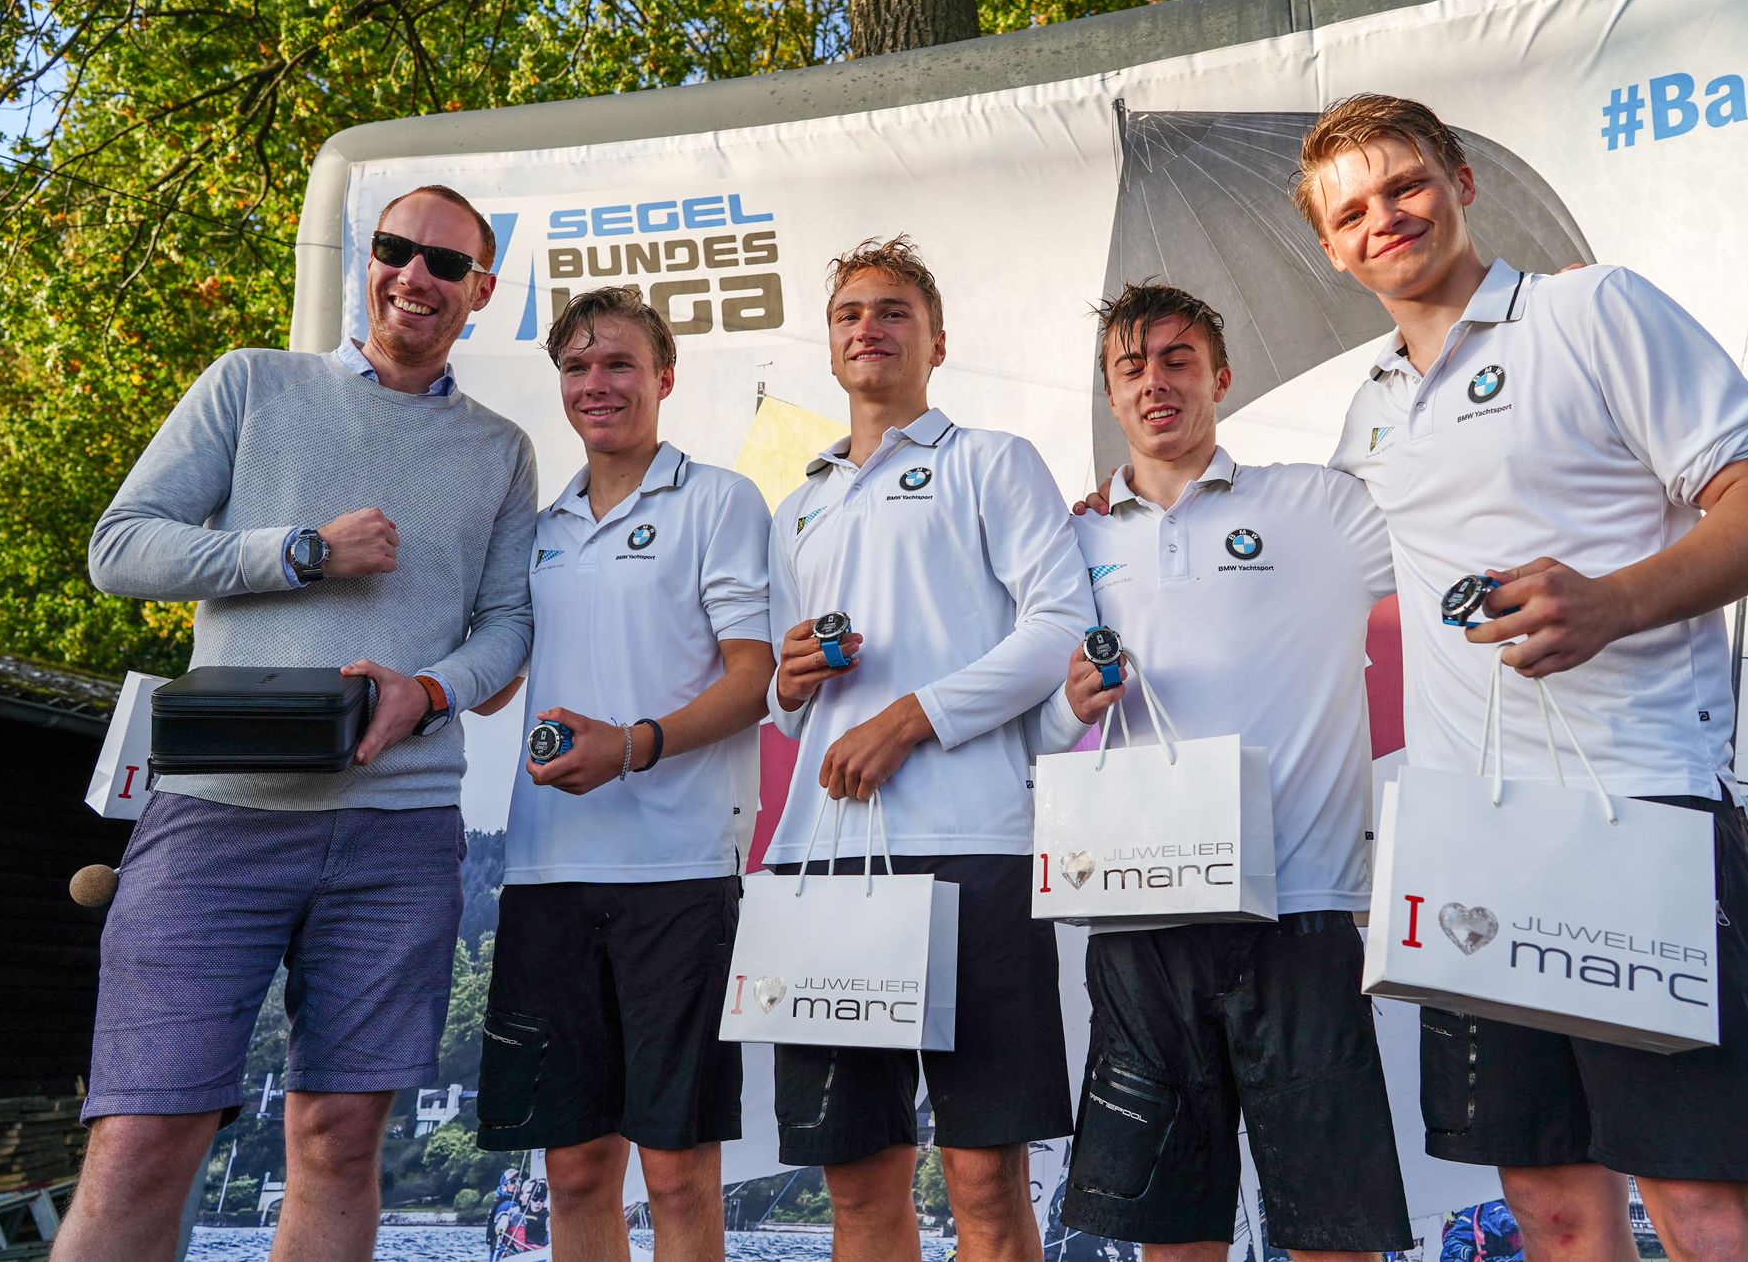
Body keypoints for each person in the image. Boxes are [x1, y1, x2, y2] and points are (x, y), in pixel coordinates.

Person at [1298, 93, 1748, 1261]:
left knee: (1704, 1204)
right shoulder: (1367, 408)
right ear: (1331, 249)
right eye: (1351, 211)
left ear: (1460, 182)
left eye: (1404, 184)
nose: (1384, 217)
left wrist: (1613, 601)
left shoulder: (1591, 309)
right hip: (1471, 844)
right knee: (1549, 1204)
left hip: (1634, 808)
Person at [65, 184, 536, 1262]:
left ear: (480, 291)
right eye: (396, 248)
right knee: (143, 1136)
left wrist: (430, 691)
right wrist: (299, 551)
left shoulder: (502, 450)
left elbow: (510, 625)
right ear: (367, 260)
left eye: (446, 263)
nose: (415, 276)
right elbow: (119, 548)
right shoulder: (250, 382)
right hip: (216, 814)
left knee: (338, 1138)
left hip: (399, 832)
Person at [1040, 283, 1413, 1262]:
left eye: (1177, 359)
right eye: (1131, 366)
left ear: (1221, 376)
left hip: (1301, 909)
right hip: (1142, 917)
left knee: (1336, 1238)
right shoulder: (1069, 542)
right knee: (1172, 1239)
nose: (1154, 382)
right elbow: (1027, 721)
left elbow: (1449, 538)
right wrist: (1068, 703)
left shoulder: (1318, 506)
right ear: (1110, 393)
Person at [764, 235, 1095, 1261]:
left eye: (893, 310)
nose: (868, 326)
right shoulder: (797, 504)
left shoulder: (992, 461)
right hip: (824, 856)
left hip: (977, 847)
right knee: (856, 1182)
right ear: (830, 346)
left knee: (985, 1178)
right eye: (849, 313)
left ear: (936, 342)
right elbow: (783, 706)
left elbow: (1060, 624)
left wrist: (912, 717)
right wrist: (789, 682)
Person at [473, 286, 774, 1262]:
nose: (596, 384)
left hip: (679, 871)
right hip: (547, 873)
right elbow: (489, 679)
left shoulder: (719, 499)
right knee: (572, 1171)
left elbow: (754, 678)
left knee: (676, 1171)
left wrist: (632, 744)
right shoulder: (536, 527)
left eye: (619, 364)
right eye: (577, 366)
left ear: (664, 377)